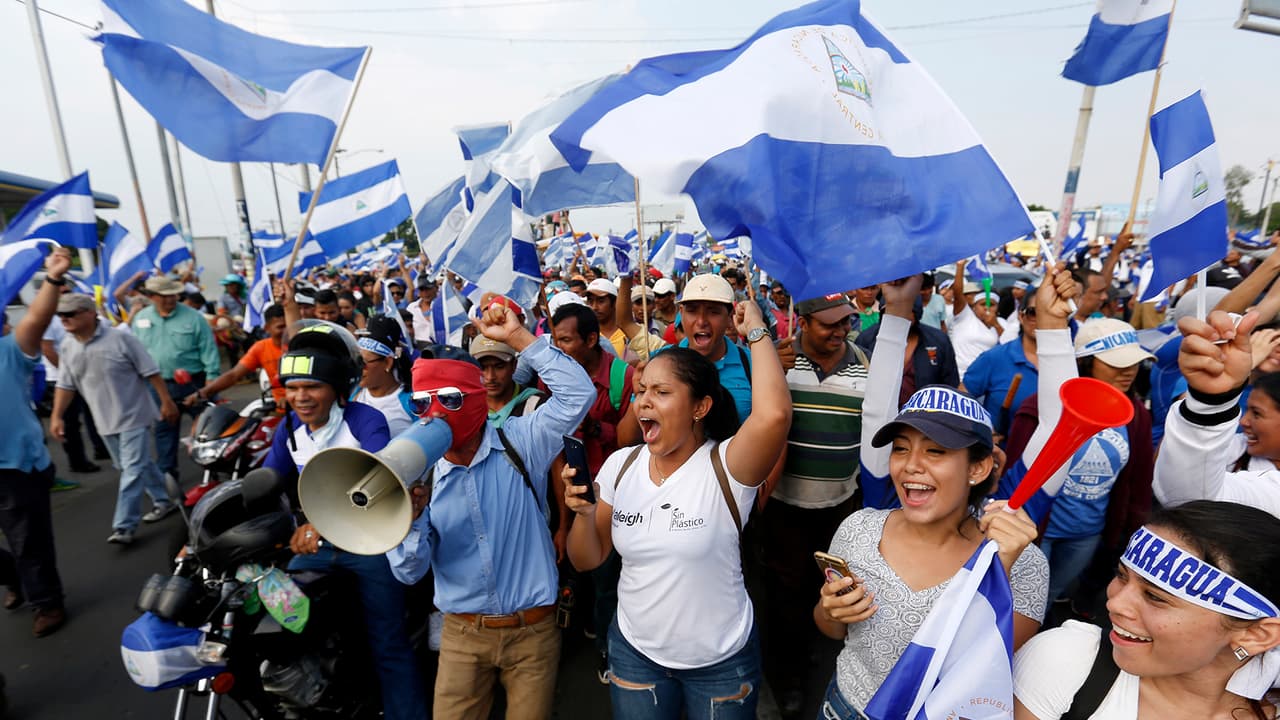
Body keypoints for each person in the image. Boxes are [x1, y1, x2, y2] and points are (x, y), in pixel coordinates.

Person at [813, 273, 1049, 719]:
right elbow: (828, 629)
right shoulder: (859, 530)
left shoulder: (1023, 564)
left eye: (936, 451)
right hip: (842, 706)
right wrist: (831, 611)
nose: (910, 466)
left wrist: (997, 568)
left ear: (978, 468)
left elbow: (977, 671)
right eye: (901, 449)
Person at [564, 297, 790, 720]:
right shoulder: (620, 465)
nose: (644, 402)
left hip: (721, 664)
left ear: (700, 407)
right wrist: (579, 515)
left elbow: (774, 415)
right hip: (635, 654)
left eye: (662, 392)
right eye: (641, 391)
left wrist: (756, 329)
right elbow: (589, 557)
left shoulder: (728, 465)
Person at [387, 303, 594, 720]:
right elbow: (408, 572)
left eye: (449, 398)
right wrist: (408, 519)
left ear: (477, 399)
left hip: (532, 632)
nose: (436, 412)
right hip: (461, 634)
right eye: (421, 402)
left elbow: (578, 393)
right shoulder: (418, 473)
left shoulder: (522, 439)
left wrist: (518, 337)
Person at [262, 321, 427, 720]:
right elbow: (265, 483)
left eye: (312, 387)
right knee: (284, 623)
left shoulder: (365, 421)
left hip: (368, 546)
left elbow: (380, 479)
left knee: (388, 644)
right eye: (294, 388)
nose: (301, 398)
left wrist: (321, 522)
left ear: (337, 388)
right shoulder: (288, 429)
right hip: (315, 550)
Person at [1013, 501, 1280, 719]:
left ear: (1257, 634)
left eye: (1155, 597)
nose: (1114, 604)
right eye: (1121, 575)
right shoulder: (1066, 660)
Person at [760, 291, 867, 716]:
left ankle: (819, 676)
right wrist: (766, 370)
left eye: (847, 323)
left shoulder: (866, 362)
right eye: (830, 325)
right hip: (784, 509)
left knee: (832, 597)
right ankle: (786, 683)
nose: (841, 331)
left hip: (840, 508)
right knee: (785, 599)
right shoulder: (777, 360)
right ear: (803, 322)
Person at [1004, 318, 1155, 616]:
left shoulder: (1136, 416)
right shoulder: (1041, 409)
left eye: (1134, 362)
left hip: (1087, 534)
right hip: (1037, 531)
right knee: (1019, 603)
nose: (1127, 371)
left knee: (1050, 598)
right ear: (1086, 362)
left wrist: (1126, 534)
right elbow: (1014, 474)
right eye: (1115, 363)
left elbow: (1138, 484)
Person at [549, 302, 636, 680]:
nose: (558, 348)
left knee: (606, 578)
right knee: (573, 571)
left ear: (590, 339)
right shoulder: (551, 377)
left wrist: (595, 429)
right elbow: (555, 454)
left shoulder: (624, 377)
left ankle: (605, 646)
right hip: (570, 494)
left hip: (613, 499)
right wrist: (563, 520)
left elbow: (634, 442)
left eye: (565, 341)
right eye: (554, 340)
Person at [50, 294, 180, 545]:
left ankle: (124, 526)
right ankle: (165, 499)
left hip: (135, 415)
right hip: (103, 420)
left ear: (90, 313)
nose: (64, 319)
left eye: (70, 314)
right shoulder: (67, 345)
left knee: (131, 470)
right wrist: (56, 416)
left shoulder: (121, 339)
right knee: (134, 466)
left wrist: (166, 401)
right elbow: (65, 384)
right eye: (61, 315)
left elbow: (150, 371)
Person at [0, 247, 72, 637]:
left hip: (16, 467)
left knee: (29, 541)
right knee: (17, 551)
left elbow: (36, 318)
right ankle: (14, 575)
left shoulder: (9, 352)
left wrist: (55, 277)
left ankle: (46, 602)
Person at [1154, 309, 1280, 518]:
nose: (1243, 421)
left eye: (1257, 414)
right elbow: (1187, 498)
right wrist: (1209, 403)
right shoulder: (1238, 448)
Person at [130, 276, 221, 483]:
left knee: (207, 429)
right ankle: (167, 479)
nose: (170, 299)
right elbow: (136, 352)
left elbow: (209, 349)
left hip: (194, 383)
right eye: (164, 296)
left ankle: (214, 474)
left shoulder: (193, 317)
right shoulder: (141, 319)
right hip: (158, 385)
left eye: (173, 295)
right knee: (164, 431)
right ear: (152, 297)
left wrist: (211, 380)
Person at [963, 291, 1042, 437]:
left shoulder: (1068, 363)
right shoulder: (994, 358)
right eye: (1033, 313)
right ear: (1021, 316)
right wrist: (983, 432)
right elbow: (961, 399)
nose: (1042, 320)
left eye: (1049, 314)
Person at [189, 303, 288, 407]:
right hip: (280, 410)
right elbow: (233, 375)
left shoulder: (301, 343)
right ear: (267, 328)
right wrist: (202, 392)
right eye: (281, 327)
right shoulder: (261, 348)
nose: (286, 331)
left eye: (289, 325)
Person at [351, 316, 416, 437]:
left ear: (388, 363)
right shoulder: (354, 394)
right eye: (355, 362)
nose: (357, 368)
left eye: (363, 363)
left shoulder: (412, 402)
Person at [586, 278, 628, 357]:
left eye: (601, 301)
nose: (594, 307)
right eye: (590, 301)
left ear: (615, 302)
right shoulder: (586, 335)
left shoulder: (628, 334)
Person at [407, 275, 439, 344]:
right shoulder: (412, 308)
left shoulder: (443, 307)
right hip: (419, 348)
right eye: (422, 289)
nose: (425, 293)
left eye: (428, 289)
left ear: (436, 288)